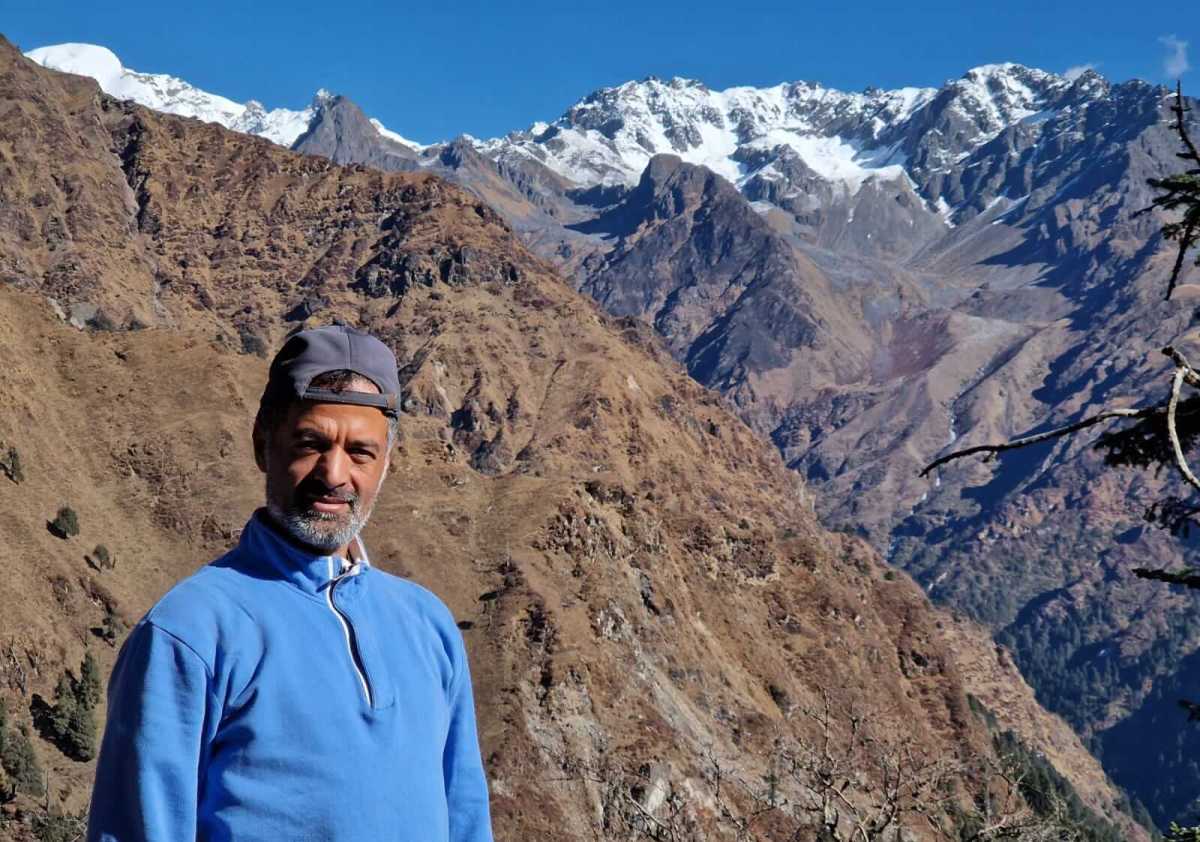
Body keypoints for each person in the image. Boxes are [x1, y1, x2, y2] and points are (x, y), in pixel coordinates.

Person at [87, 325, 493, 842]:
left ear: (386, 463)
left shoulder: (428, 625)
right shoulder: (190, 631)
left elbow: (466, 820)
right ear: (264, 445)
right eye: (311, 443)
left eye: (361, 452)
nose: (334, 473)